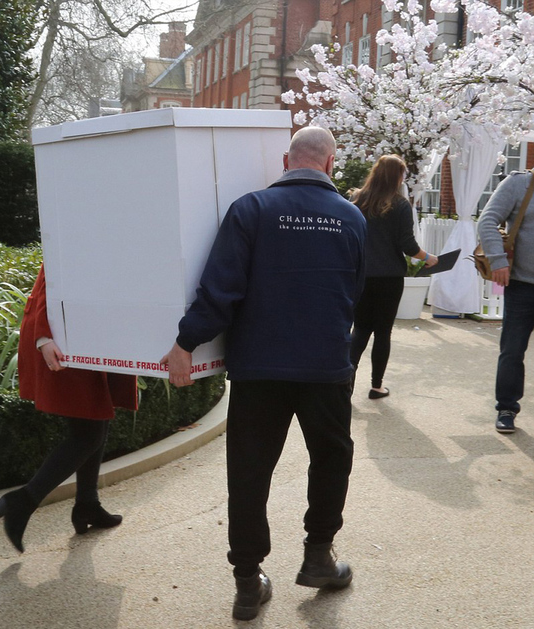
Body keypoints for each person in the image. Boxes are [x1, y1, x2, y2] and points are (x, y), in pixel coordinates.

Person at [160, 126, 367, 621]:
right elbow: (354, 291)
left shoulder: (250, 209)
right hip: (325, 365)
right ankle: (319, 555)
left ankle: (248, 582)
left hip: (259, 367)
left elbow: (221, 287)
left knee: (250, 472)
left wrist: (186, 342)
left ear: (285, 159)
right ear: (331, 163)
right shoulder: (353, 218)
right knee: (332, 459)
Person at [0, 266, 138, 553]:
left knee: (97, 418)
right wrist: (43, 338)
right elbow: (51, 276)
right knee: (88, 434)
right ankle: (22, 502)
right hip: (65, 340)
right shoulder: (75, 225)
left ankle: (87, 504)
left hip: (85, 333)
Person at [349, 155, 438, 399]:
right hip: (389, 278)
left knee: (359, 330)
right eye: (402, 174)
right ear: (395, 176)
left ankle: (344, 386)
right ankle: (376, 386)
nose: (403, 179)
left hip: (361, 276)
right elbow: (408, 245)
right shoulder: (399, 205)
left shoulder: (356, 201)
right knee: (382, 332)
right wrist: (428, 257)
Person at [478, 169, 534, 434]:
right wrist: (498, 261)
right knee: (512, 350)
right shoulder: (520, 183)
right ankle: (507, 408)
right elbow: (487, 220)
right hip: (523, 286)